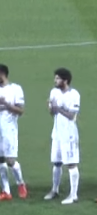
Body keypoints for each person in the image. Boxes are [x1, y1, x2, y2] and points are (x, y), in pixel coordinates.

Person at [0, 64, 27, 201]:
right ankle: (6, 191)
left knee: (10, 160)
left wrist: (7, 105)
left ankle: (20, 184)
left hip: (9, 130)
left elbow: (21, 111)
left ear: (2, 75)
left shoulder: (15, 89)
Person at [43, 68, 80, 205]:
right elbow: (53, 113)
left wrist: (58, 108)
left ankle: (73, 194)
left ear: (65, 80)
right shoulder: (54, 92)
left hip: (69, 134)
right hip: (57, 133)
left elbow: (71, 116)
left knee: (71, 163)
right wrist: (51, 108)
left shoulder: (74, 95)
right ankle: (55, 190)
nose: (55, 80)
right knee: (56, 163)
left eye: (58, 78)